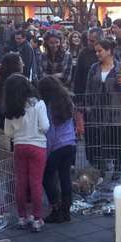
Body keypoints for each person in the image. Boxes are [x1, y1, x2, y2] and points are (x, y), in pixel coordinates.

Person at [84, 39, 121, 180]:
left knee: (116, 141)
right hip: (98, 111)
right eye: (96, 51)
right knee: (101, 141)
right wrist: (88, 106)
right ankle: (102, 168)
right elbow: (88, 88)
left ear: (109, 51)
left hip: (117, 112)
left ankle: (117, 168)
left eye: (100, 50)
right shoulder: (94, 68)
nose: (97, 53)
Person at [4, 74, 49, 232]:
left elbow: (8, 132)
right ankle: (37, 218)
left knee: (20, 182)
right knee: (35, 183)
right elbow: (45, 126)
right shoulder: (39, 104)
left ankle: (22, 217)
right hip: (37, 147)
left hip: (19, 146)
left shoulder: (11, 108)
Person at [39, 76, 77, 224]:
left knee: (47, 175)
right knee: (65, 176)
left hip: (57, 147)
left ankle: (55, 208)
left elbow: (51, 133)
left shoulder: (50, 106)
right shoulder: (67, 101)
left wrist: (46, 154)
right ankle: (66, 211)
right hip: (70, 144)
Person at [0, 52, 24, 150]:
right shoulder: (14, 83)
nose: (23, 64)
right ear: (15, 65)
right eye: (20, 62)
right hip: (10, 125)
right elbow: (2, 107)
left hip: (8, 124)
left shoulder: (1, 82)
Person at [73, 28, 102, 97]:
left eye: (92, 41)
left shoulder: (109, 52)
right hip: (87, 94)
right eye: (88, 40)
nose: (89, 43)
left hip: (105, 95)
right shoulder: (83, 53)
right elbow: (78, 76)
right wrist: (77, 96)